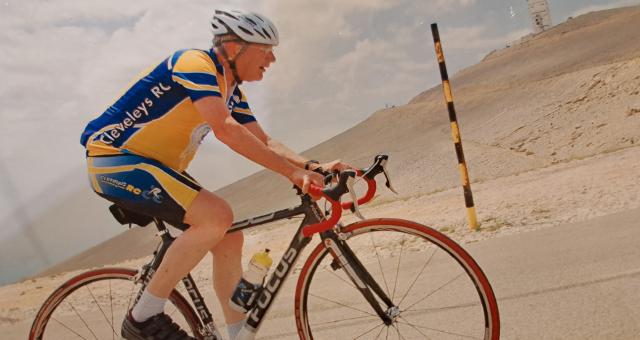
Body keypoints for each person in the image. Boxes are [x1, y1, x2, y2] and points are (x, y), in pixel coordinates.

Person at [80, 8, 351, 340]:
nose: (273, 59)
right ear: (235, 47)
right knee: (217, 216)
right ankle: (142, 318)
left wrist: (310, 166)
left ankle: (238, 334)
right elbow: (225, 129)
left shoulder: (230, 89)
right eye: (265, 49)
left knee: (229, 235)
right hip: (115, 160)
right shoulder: (194, 64)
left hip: (155, 167)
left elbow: (263, 140)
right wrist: (291, 174)